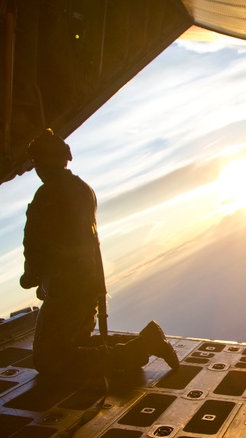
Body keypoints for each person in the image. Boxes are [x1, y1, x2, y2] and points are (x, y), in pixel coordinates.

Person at [20, 129, 179, 377]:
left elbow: (35, 245)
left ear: (41, 162)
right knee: (76, 343)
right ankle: (147, 341)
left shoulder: (47, 195)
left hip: (66, 288)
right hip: (88, 282)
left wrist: (30, 277)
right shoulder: (83, 189)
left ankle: (144, 345)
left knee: (48, 358)